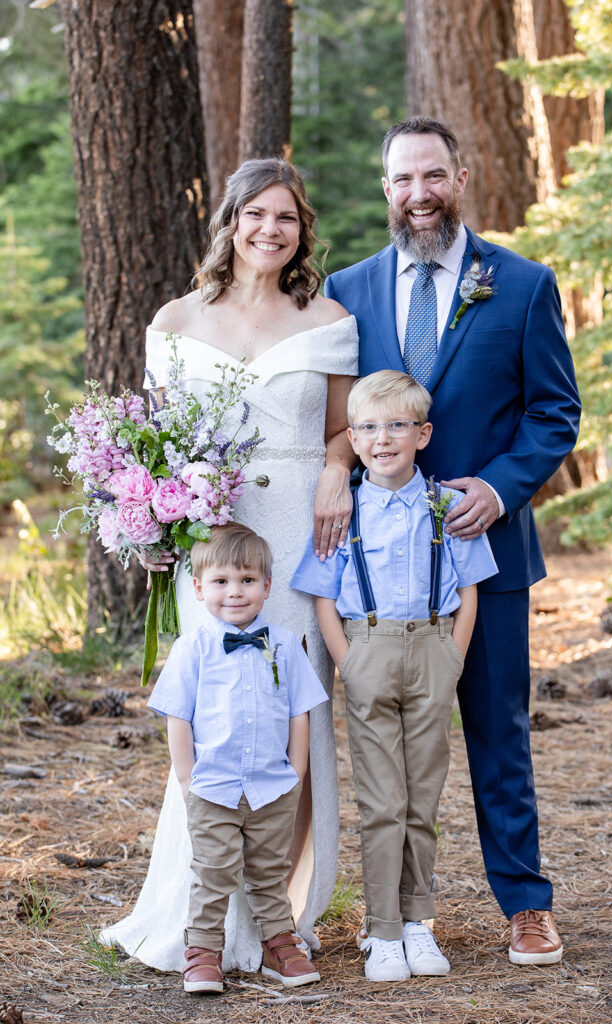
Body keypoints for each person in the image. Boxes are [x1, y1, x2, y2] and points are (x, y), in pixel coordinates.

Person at [325, 117, 581, 966]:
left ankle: (525, 903)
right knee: (385, 748)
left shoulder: (521, 284)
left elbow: (553, 413)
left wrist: (499, 488)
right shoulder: (347, 289)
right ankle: (390, 919)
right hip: (380, 573)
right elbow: (333, 419)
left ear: (461, 177)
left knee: (496, 730)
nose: (418, 194)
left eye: (432, 176)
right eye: (402, 180)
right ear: (385, 189)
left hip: (488, 561)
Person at [100, 157, 358, 972]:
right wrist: (149, 512)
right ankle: (199, 914)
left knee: (292, 711)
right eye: (256, 215)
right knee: (210, 709)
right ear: (232, 221)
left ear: (300, 231)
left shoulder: (327, 320)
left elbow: (346, 430)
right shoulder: (176, 320)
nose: (269, 230)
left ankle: (279, 911)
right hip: (211, 542)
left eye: (285, 217)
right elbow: (154, 442)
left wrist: (331, 470)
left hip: (293, 536)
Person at [291, 370, 498, 981]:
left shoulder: (447, 505)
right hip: (368, 651)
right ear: (352, 439)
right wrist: (348, 661)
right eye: (370, 428)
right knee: (382, 800)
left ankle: (418, 924)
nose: (383, 439)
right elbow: (325, 596)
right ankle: (381, 930)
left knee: (421, 798)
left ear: (423, 434)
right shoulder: (342, 511)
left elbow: (468, 588)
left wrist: (454, 655)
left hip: (434, 650)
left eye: (397, 426)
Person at [148, 524, 328, 992]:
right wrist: (188, 779)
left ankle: (279, 944)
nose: (235, 592)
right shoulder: (193, 649)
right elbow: (177, 717)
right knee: (212, 873)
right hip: (214, 786)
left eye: (247, 580)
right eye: (222, 581)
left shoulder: (286, 645)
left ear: (267, 586)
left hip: (273, 785)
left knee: (270, 873)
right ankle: (203, 950)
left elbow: (300, 711)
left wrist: (297, 770)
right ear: (198, 587)